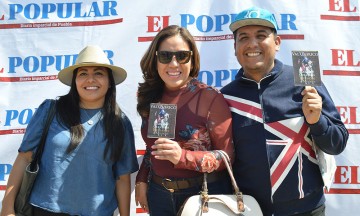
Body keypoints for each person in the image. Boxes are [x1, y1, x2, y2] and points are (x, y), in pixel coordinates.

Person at [220, 6, 349, 216]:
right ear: (235, 47)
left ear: (277, 43)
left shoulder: (304, 83)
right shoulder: (226, 97)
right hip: (250, 210)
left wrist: (317, 122)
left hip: (308, 209)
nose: (252, 44)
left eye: (261, 35)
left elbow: (338, 143)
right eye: (243, 38)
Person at [1, 45, 139, 216]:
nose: (90, 80)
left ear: (109, 81)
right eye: (83, 73)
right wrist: (7, 207)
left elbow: (122, 179)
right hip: (44, 211)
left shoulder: (120, 123)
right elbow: (24, 158)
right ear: (75, 80)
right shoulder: (50, 110)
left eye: (98, 73)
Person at [135, 25, 234, 215]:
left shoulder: (209, 97)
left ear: (192, 59)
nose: (173, 64)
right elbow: (153, 147)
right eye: (165, 56)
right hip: (159, 195)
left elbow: (227, 157)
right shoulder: (149, 96)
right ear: (155, 59)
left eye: (182, 56)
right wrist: (142, 178)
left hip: (203, 196)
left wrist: (182, 157)